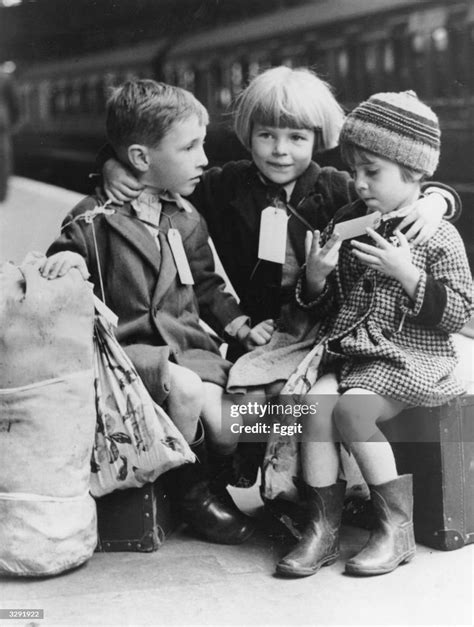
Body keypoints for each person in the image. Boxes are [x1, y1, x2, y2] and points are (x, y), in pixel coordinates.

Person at [101, 66, 460, 481]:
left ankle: (301, 486)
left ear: (317, 139)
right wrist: (112, 163)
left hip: (321, 329)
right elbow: (154, 157)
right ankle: (247, 475)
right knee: (242, 414)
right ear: (247, 133)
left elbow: (410, 185)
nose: (280, 151)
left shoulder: (340, 187)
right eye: (266, 135)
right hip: (258, 332)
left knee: (294, 404)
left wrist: (439, 200)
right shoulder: (225, 185)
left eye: (297, 137)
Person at [41, 79, 260, 545]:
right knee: (183, 390)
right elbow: (67, 261)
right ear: (141, 159)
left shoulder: (185, 217)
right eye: (190, 147)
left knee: (231, 422)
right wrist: (68, 265)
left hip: (187, 347)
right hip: (130, 353)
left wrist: (238, 323)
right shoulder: (93, 216)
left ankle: (212, 479)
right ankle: (192, 496)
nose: (204, 158)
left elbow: (205, 285)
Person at [274, 91, 473, 578]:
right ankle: (322, 530)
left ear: (413, 172)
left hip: (410, 357)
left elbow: (463, 310)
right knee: (312, 407)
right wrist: (317, 277)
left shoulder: (436, 234)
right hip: (355, 355)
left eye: (373, 172)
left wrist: (409, 275)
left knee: (350, 408)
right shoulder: (349, 223)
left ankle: (395, 528)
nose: (359, 183)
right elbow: (330, 306)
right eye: (355, 170)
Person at [0, 64, 20, 202]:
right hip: (1, 124)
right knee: (2, 158)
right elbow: (15, 103)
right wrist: (14, 123)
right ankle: (1, 193)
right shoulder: (5, 77)